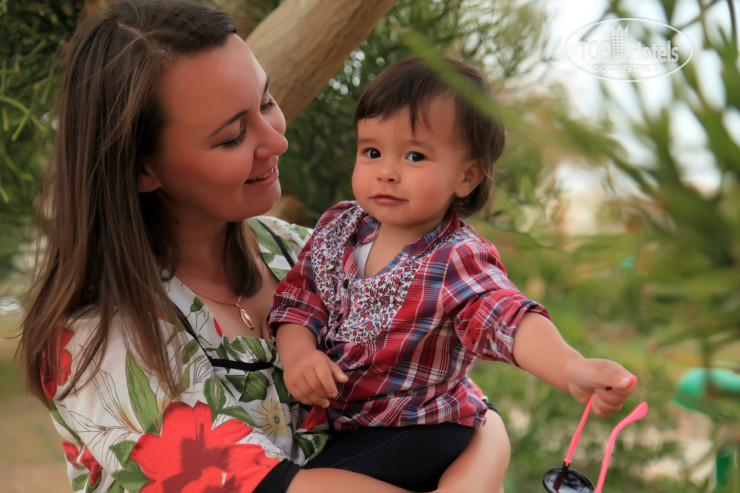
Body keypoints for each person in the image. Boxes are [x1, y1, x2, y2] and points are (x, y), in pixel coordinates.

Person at [18, 1, 512, 492]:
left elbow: (455, 405)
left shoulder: (308, 250)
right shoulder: (99, 341)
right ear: (143, 167)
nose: (277, 142)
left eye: (267, 102)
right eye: (233, 136)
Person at [268, 56, 637, 491]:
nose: (386, 172)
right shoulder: (338, 228)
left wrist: (570, 367)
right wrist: (299, 354)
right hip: (355, 425)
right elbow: (300, 301)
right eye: (372, 152)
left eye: (415, 156)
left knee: (310, 485)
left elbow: (505, 317)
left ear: (466, 176)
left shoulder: (454, 256)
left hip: (422, 428)